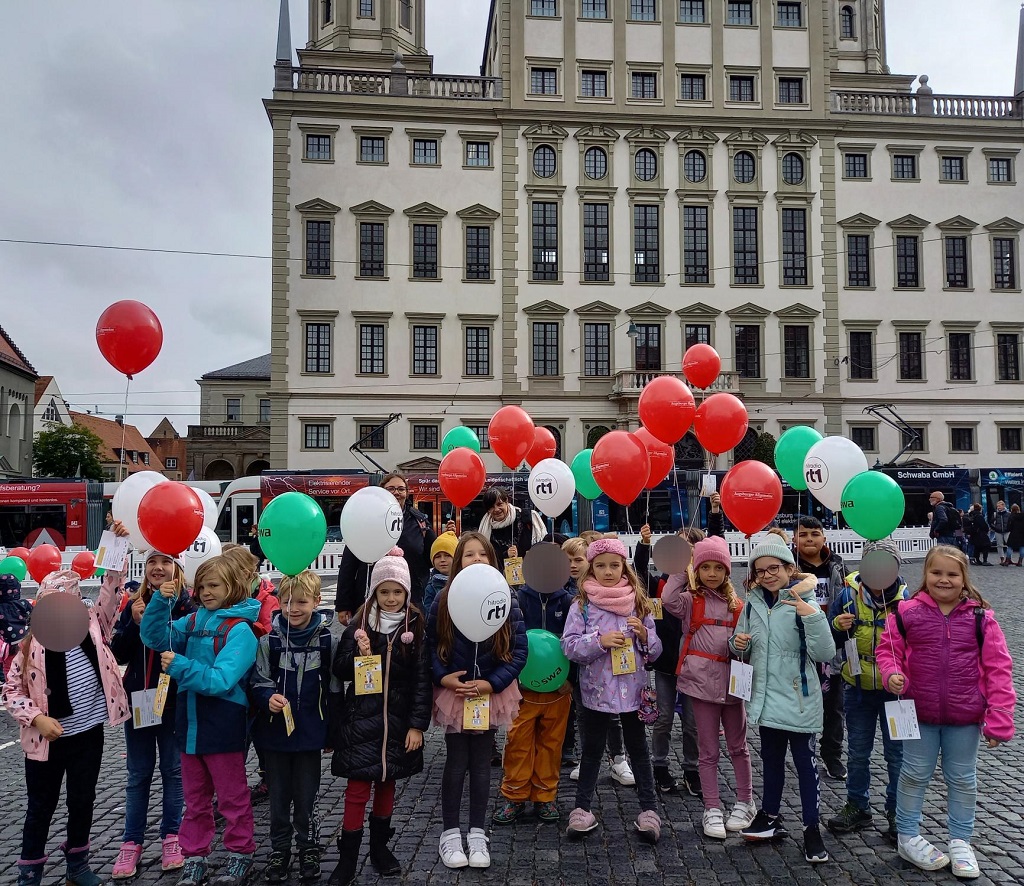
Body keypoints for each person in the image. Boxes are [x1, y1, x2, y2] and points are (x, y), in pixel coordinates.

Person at [876, 545, 1016, 877]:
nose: (944, 580)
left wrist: (1000, 717)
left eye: (952, 574)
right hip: (918, 713)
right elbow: (888, 650)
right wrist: (891, 674)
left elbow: (998, 668)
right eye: (936, 572)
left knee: (963, 779)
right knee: (913, 775)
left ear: (964, 578)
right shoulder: (906, 612)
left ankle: (961, 842)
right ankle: (908, 837)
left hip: (965, 717)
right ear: (925, 575)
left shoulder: (981, 617)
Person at [4, 569, 131, 886]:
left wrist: (114, 551)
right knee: (40, 807)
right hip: (46, 742)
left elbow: (111, 592)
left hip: (87, 735)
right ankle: (30, 872)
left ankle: (77, 864)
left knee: (82, 801)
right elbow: (12, 692)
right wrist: (36, 718)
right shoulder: (30, 648)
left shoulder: (93, 628)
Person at [141, 555, 261, 886]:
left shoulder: (241, 632)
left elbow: (221, 680)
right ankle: (195, 856)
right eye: (202, 586)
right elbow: (154, 637)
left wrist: (180, 667)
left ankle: (240, 854)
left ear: (232, 587)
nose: (206, 592)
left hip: (222, 723)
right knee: (194, 800)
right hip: (189, 724)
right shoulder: (193, 621)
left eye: (214, 586)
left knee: (232, 797)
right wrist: (160, 602)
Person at [730, 539, 836, 864]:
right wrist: (738, 642)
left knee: (806, 766)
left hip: (798, 697)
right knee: (772, 761)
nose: (767, 575)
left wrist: (813, 617)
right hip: (765, 697)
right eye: (760, 571)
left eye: (773, 568)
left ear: (789, 569)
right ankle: (770, 816)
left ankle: (811, 828)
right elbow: (739, 645)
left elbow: (826, 653)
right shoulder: (752, 604)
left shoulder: (804, 602)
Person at [330, 548, 431, 885]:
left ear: (406, 593)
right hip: (361, 720)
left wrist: (417, 725)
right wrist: (360, 657)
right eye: (384, 591)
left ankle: (379, 847)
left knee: (387, 785)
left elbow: (421, 679)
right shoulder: (360, 625)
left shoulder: (415, 625)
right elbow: (339, 669)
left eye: (397, 591)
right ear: (374, 592)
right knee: (358, 789)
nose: (390, 598)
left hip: (397, 722)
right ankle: (347, 859)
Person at [427, 532, 527, 869]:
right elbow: (431, 644)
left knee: (483, 764)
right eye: (468, 555)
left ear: (492, 561)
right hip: (456, 692)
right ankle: (451, 833)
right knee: (456, 762)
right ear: (458, 562)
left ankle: (478, 832)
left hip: (489, 693)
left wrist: (492, 683)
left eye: (482, 555)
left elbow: (519, 652)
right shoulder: (443, 599)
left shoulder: (507, 599)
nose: (476, 561)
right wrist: (442, 676)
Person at [561, 538, 663, 844]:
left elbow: (655, 651)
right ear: (591, 567)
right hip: (596, 691)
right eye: (601, 565)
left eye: (614, 565)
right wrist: (599, 641)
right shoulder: (581, 606)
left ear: (624, 568)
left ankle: (649, 809)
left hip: (632, 692)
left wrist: (646, 636)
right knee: (591, 750)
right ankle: (582, 808)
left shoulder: (639, 603)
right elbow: (569, 645)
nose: (608, 572)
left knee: (638, 750)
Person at [662, 536, 755, 840]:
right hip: (701, 684)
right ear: (697, 570)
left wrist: (742, 646)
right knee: (708, 751)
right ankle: (712, 808)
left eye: (718, 567)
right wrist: (683, 566)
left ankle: (745, 802)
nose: (712, 573)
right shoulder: (690, 600)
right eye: (706, 567)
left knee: (739, 747)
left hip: (733, 684)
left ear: (727, 572)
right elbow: (667, 599)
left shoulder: (737, 605)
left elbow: (750, 645)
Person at [251, 570, 340, 884]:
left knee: (307, 796)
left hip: (310, 733)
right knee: (278, 797)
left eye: (301, 601)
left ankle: (308, 845)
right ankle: (279, 848)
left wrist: (332, 731)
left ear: (317, 601)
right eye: (286, 601)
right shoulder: (269, 641)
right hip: (275, 734)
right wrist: (267, 698)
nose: (293, 608)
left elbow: (334, 687)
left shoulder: (329, 640)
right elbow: (258, 680)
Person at [109, 552, 195, 878]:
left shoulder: (188, 605)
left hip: (173, 702)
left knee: (173, 771)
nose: (158, 568)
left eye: (166, 562)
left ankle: (172, 836)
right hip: (140, 702)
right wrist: (132, 622)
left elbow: (189, 647)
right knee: (138, 774)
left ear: (178, 568)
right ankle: (131, 842)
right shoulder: (134, 601)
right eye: (152, 563)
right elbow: (117, 652)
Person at [825, 541, 909, 841]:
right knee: (858, 752)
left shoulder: (907, 601)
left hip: (897, 692)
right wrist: (836, 624)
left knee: (897, 755)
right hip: (858, 687)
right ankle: (857, 806)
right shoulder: (848, 596)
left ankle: (898, 812)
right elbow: (827, 637)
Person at [492, 543, 575, 825]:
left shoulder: (569, 602)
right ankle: (514, 795)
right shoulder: (516, 599)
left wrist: (570, 679)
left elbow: (574, 643)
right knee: (518, 742)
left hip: (558, 690)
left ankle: (545, 796)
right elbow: (507, 640)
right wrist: (513, 675)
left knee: (552, 744)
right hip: (523, 689)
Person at [634, 522, 703, 798]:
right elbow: (639, 574)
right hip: (666, 663)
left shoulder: (704, 584)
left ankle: (692, 769)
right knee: (662, 719)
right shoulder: (662, 581)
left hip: (694, 664)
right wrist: (644, 544)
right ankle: (659, 765)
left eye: (689, 547)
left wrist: (715, 515)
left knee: (692, 723)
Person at [336, 472, 437, 621]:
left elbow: (432, 556)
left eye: (401, 489)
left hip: (411, 599)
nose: (396, 492)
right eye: (391, 489)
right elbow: (348, 566)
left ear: (407, 493)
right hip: (370, 598)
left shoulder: (419, 520)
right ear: (382, 492)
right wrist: (343, 604)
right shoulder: (365, 520)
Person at [793, 516, 847, 782]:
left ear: (824, 538)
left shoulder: (837, 565)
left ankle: (832, 753)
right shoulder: (789, 567)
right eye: (803, 534)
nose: (809, 539)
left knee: (834, 705)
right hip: (800, 646)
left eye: (815, 534)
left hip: (833, 644)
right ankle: (804, 751)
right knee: (802, 702)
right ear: (795, 539)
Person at [477, 486, 547, 564]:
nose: (496, 509)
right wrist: (506, 554)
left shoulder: (529, 518)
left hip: (530, 571)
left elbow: (542, 544)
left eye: (499, 504)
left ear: (506, 501)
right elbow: (486, 558)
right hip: (499, 574)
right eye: (492, 507)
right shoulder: (485, 529)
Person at [0, 572, 32, 682]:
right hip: (27, 642)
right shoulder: (23, 603)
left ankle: (10, 688)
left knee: (10, 670)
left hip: (10, 647)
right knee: (28, 667)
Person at [423, 531, 457, 615]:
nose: (442, 559)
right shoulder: (431, 586)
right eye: (438, 556)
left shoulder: (463, 581)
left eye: (447, 555)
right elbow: (428, 615)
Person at [990, 500, 1011, 565]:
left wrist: (1009, 528)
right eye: (997, 506)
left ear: (1003, 506)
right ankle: (1002, 558)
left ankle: (1008, 558)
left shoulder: (1008, 514)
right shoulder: (995, 514)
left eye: (999, 506)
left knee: (1009, 545)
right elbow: (991, 522)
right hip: (998, 531)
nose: (998, 507)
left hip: (1007, 531)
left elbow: (1011, 522)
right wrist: (996, 528)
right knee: (999, 545)